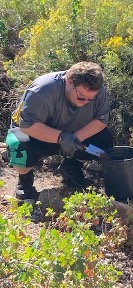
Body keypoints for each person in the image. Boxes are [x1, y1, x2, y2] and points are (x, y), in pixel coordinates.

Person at [5, 61, 114, 200]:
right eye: (81, 96)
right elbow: (27, 126)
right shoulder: (43, 90)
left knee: (103, 141)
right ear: (69, 81)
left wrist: (74, 139)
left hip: (72, 133)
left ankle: (71, 166)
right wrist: (61, 138)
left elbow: (101, 120)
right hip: (37, 134)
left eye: (90, 99)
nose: (86, 101)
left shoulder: (98, 90)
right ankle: (24, 180)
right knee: (18, 146)